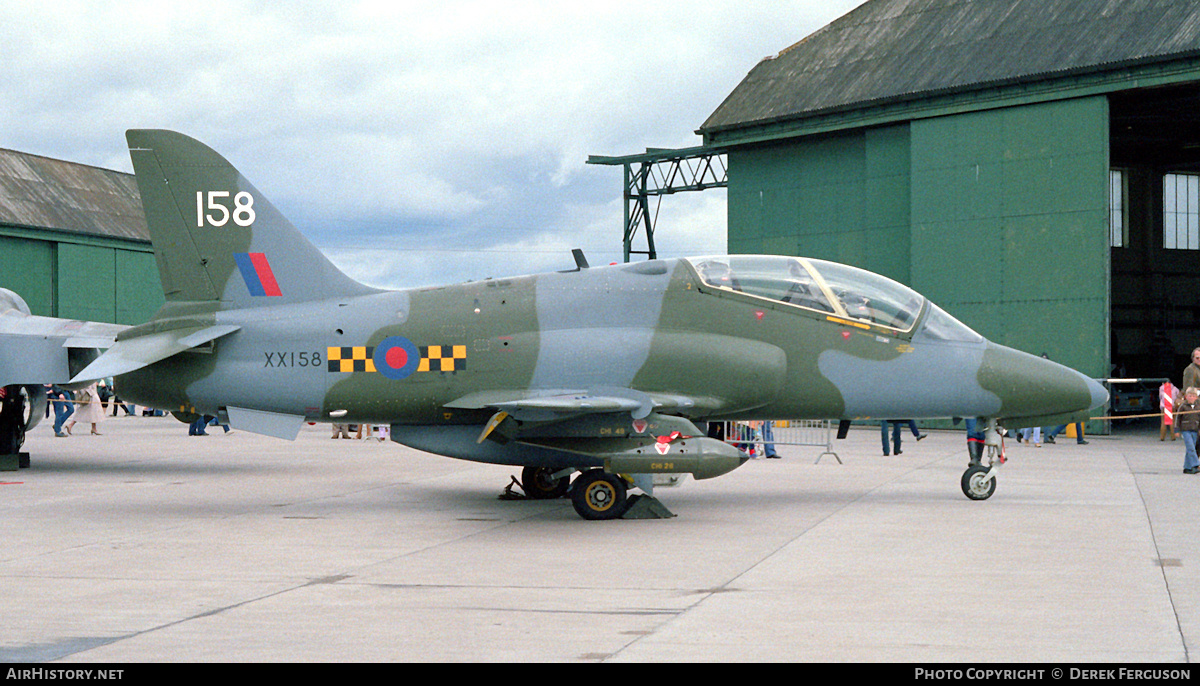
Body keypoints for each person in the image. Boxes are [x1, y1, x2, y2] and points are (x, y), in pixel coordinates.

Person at [1176, 387, 1200, 474]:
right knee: (1191, 447)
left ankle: (1187, 467)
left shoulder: (1198, 407)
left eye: (1193, 396)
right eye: (1190, 396)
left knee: (1190, 449)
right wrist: (1177, 430)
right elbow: (1178, 418)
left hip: (1195, 430)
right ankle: (1196, 464)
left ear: (1196, 397)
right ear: (1186, 397)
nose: (1191, 398)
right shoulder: (1183, 406)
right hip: (1186, 430)